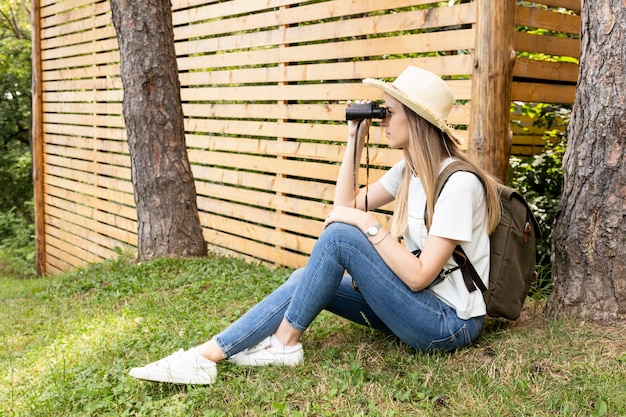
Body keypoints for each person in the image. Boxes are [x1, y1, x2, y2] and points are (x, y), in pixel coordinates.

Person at [128, 66, 502, 385]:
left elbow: (419, 275)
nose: (383, 121)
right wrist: (354, 142)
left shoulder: (458, 183)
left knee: (344, 235)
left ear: (416, 120)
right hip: (417, 305)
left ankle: (278, 345)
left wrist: (368, 225)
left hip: (448, 324)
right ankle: (208, 355)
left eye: (388, 113)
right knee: (302, 279)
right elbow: (343, 208)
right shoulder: (411, 170)